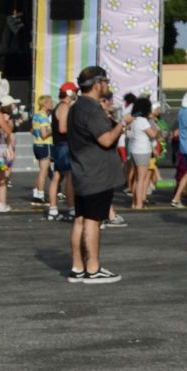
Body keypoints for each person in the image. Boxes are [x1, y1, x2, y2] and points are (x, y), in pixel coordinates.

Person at [66, 66, 129, 283]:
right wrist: (121, 124)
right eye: (106, 82)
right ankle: (93, 269)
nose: (108, 86)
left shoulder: (76, 107)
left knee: (80, 220)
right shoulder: (91, 109)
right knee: (93, 221)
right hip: (96, 173)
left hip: (82, 171)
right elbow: (106, 140)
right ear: (97, 84)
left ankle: (77, 267)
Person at [49, 82, 77, 220]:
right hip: (64, 145)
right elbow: (62, 129)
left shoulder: (58, 107)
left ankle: (53, 208)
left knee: (57, 177)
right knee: (70, 178)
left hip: (58, 145)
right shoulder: (65, 107)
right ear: (70, 93)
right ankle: (71, 208)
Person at [124, 97, 157, 209]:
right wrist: (155, 125)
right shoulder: (143, 121)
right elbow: (153, 134)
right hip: (142, 151)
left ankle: (134, 203)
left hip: (133, 150)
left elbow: (127, 133)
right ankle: (139, 204)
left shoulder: (132, 120)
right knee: (141, 179)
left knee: (137, 179)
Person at [30, 95, 55, 204]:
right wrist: (53, 128)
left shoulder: (36, 115)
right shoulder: (44, 117)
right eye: (50, 102)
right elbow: (45, 134)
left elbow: (32, 130)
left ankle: (36, 192)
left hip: (37, 144)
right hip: (45, 144)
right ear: (44, 103)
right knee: (44, 171)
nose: (52, 103)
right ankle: (40, 195)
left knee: (42, 171)